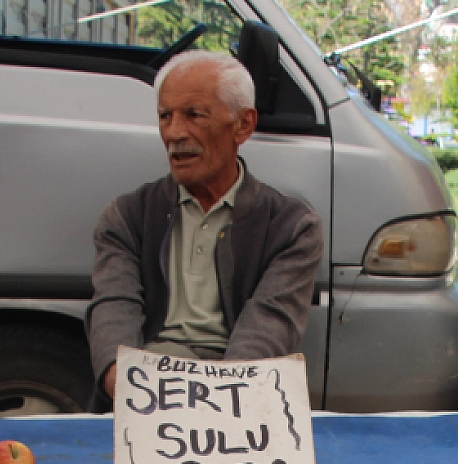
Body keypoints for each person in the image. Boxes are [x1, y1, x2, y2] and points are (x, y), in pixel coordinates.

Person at [86, 49, 322, 408]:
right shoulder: (128, 216)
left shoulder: (291, 226)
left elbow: (269, 325)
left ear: (243, 125)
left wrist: (218, 400)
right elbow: (114, 307)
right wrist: (123, 381)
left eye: (194, 115)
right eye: (165, 116)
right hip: (146, 388)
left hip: (235, 391)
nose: (175, 133)